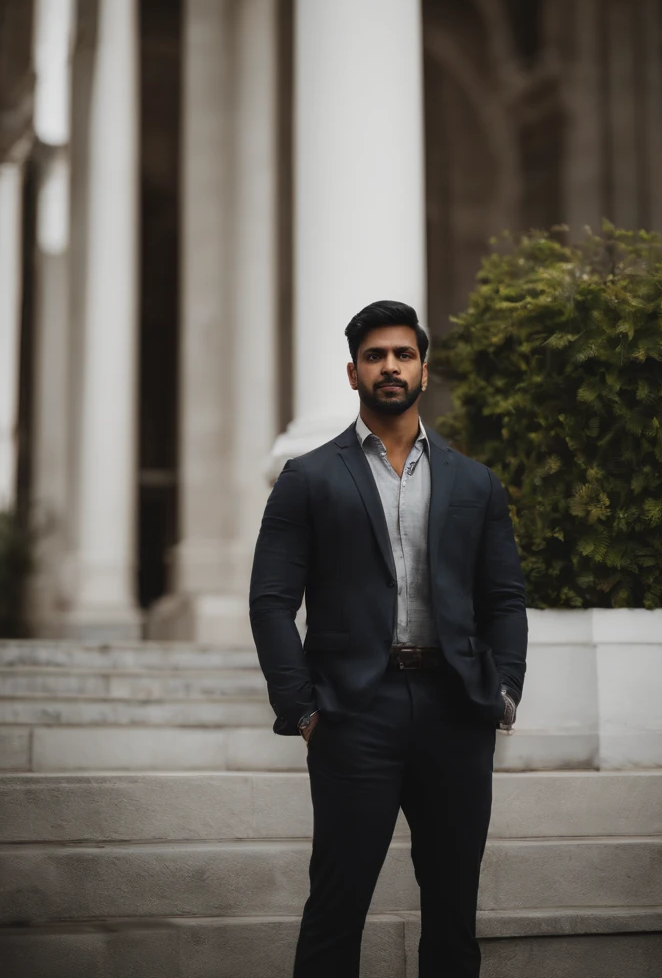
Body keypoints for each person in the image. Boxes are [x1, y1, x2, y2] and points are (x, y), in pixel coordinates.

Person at [249, 299, 528, 978]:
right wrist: (304, 710)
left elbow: (504, 597)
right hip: (353, 715)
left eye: (403, 354)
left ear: (424, 371)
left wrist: (505, 690)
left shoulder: (474, 482)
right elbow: (271, 602)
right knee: (336, 912)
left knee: (454, 915)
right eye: (375, 356)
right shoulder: (309, 478)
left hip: (456, 710)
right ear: (353, 373)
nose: (390, 367)